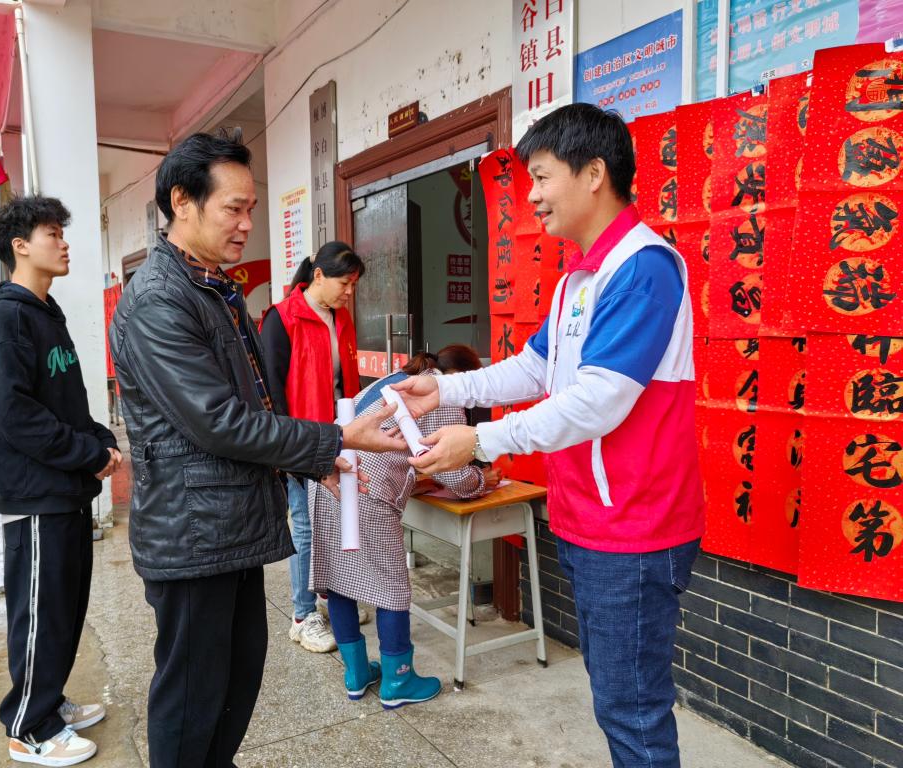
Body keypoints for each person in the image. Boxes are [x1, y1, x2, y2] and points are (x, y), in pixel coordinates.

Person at [394, 104, 704, 767]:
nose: (530, 196)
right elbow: (533, 368)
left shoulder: (643, 267)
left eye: (540, 177)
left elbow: (598, 402)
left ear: (593, 173)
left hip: (635, 526)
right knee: (617, 700)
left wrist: (481, 442)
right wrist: (444, 390)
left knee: (633, 711)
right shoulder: (578, 279)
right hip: (590, 518)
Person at [109, 130, 405, 768]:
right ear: (182, 201)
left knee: (235, 679)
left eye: (251, 208)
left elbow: (257, 403)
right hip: (193, 533)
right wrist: (334, 438)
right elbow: (218, 421)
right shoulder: (160, 299)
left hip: (228, 523)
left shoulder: (212, 286)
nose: (247, 223)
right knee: (193, 698)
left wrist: (313, 460)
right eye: (234, 208)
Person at [0, 196, 123, 766]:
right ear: (20, 246)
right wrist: (86, 454)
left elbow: (64, 402)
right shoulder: (8, 317)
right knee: (39, 612)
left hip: (63, 488)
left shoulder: (45, 312)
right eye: (52, 234)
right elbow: (15, 414)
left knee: (62, 608)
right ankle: (28, 726)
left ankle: (48, 701)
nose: (64, 244)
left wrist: (99, 439)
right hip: (35, 492)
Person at [312, 345, 500, 708]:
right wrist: (482, 479)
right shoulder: (442, 395)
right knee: (393, 587)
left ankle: (356, 675)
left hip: (326, 476)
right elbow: (453, 472)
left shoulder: (398, 379)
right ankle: (398, 680)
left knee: (338, 581)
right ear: (461, 375)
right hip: (366, 487)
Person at [260, 242, 368, 654]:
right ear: (318, 275)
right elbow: (272, 389)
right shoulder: (281, 318)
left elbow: (347, 382)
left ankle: (327, 596)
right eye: (345, 283)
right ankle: (303, 615)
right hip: (301, 440)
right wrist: (286, 449)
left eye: (354, 284)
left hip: (341, 435)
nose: (350, 292)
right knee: (305, 525)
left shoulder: (341, 318)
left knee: (337, 520)